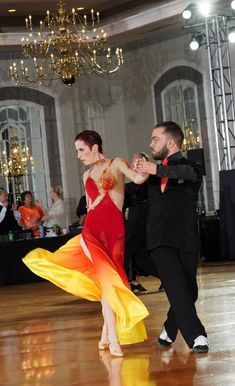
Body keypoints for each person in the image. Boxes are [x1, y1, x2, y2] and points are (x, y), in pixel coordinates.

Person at [23, 130, 149, 357]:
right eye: (76, 151)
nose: (78, 155)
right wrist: (95, 203)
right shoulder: (86, 175)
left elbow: (139, 179)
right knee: (108, 281)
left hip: (115, 233)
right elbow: (91, 206)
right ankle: (113, 339)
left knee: (109, 283)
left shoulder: (116, 163)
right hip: (92, 232)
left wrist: (143, 165)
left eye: (81, 150)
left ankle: (105, 335)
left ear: (94, 147)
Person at [136, 121, 208, 353]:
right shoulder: (152, 176)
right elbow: (134, 195)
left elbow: (184, 173)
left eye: (155, 139)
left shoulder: (192, 166)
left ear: (170, 142)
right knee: (176, 285)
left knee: (190, 290)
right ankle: (197, 336)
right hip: (159, 240)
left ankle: (169, 329)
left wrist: (153, 169)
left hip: (186, 239)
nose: (150, 143)